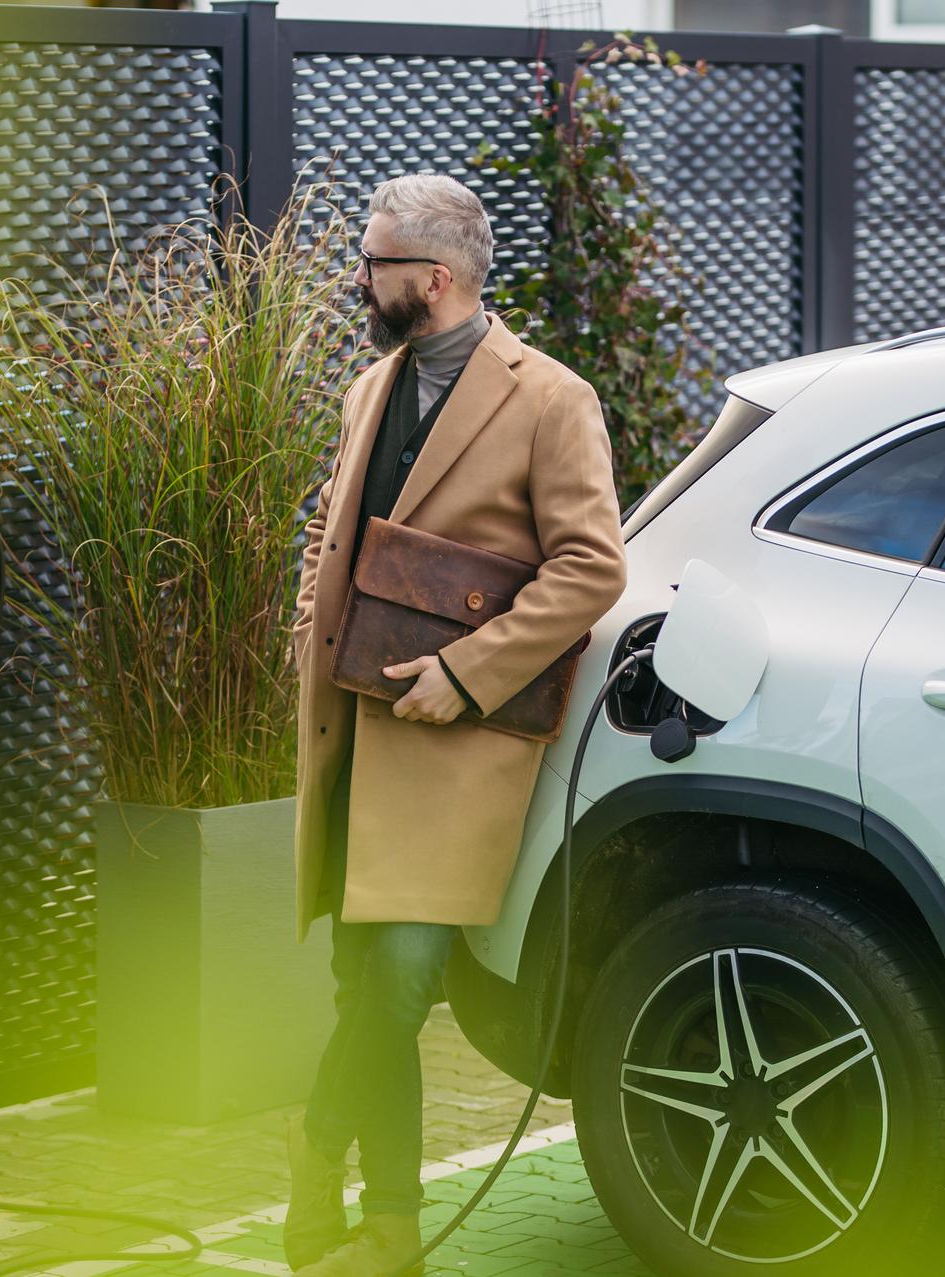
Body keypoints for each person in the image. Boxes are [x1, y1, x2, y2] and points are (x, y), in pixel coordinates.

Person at [280, 172, 629, 1277]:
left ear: (431, 279)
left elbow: (592, 566)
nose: (359, 279)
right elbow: (330, 539)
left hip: (455, 750)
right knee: (358, 984)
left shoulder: (551, 398)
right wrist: (308, 631)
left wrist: (468, 674)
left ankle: (313, 1148)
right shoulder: (367, 388)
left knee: (400, 982)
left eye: (374, 263)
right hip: (351, 740)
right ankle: (389, 1226)